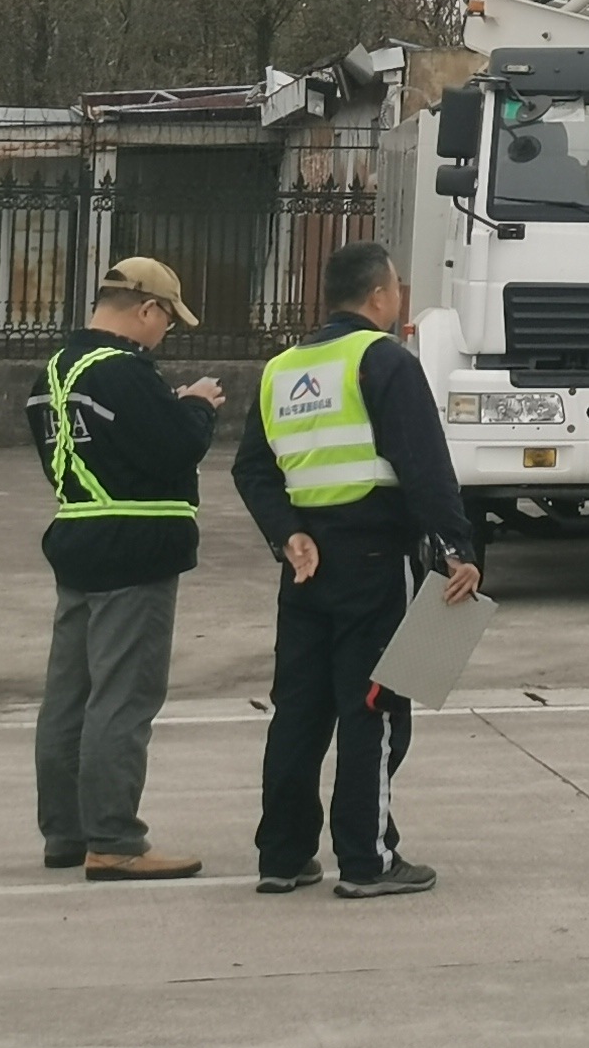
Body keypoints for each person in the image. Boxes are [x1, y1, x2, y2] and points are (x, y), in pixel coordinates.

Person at [233, 237, 480, 899]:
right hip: (374, 558)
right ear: (378, 296)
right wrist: (459, 548)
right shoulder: (383, 361)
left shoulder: (281, 369)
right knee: (376, 705)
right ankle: (367, 859)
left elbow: (252, 468)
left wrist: (287, 534)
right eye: (397, 286)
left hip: (305, 563)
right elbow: (423, 464)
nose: (400, 296)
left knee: (299, 712)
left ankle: (282, 857)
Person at [28, 257, 225, 881]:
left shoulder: (54, 372)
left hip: (79, 538)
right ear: (146, 310)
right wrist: (196, 405)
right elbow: (176, 447)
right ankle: (113, 838)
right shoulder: (124, 372)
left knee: (70, 696)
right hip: (134, 549)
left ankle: (66, 832)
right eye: (167, 319)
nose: (166, 334)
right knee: (123, 696)